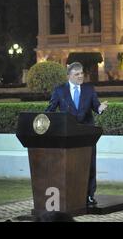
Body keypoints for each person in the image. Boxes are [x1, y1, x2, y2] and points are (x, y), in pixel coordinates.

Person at [46, 62, 108, 207]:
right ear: (69, 76)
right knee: (69, 166)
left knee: (89, 165)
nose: (80, 76)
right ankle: (69, 193)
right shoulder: (59, 91)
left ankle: (89, 195)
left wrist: (100, 108)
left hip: (87, 134)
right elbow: (50, 111)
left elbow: (96, 107)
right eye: (77, 74)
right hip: (67, 135)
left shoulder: (89, 89)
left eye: (81, 73)